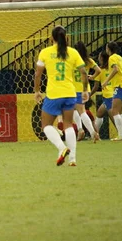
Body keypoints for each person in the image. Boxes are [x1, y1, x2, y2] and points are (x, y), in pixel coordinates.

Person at [34, 26, 88, 166]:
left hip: (54, 93)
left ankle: (62, 148)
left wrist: (37, 91)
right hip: (70, 93)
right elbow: (83, 72)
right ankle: (73, 159)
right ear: (66, 37)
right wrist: (84, 90)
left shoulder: (45, 52)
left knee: (46, 125)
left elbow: (38, 74)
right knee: (68, 125)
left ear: (52, 38)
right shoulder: (73, 52)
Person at [91, 51, 122, 137]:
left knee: (115, 117)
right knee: (100, 113)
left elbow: (96, 86)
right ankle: (95, 134)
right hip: (113, 93)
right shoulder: (111, 68)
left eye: (100, 58)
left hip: (109, 96)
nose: (99, 59)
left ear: (102, 59)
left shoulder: (101, 70)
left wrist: (89, 94)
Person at [100, 42, 122, 141]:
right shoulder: (120, 58)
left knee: (114, 111)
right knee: (118, 113)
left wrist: (106, 81)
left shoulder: (112, 58)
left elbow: (115, 69)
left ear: (108, 48)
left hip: (120, 86)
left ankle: (121, 136)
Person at [73, 42, 101, 142]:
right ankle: (80, 130)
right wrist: (92, 77)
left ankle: (92, 132)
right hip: (86, 89)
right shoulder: (88, 60)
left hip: (76, 89)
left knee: (81, 111)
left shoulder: (73, 59)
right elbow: (98, 70)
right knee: (75, 110)